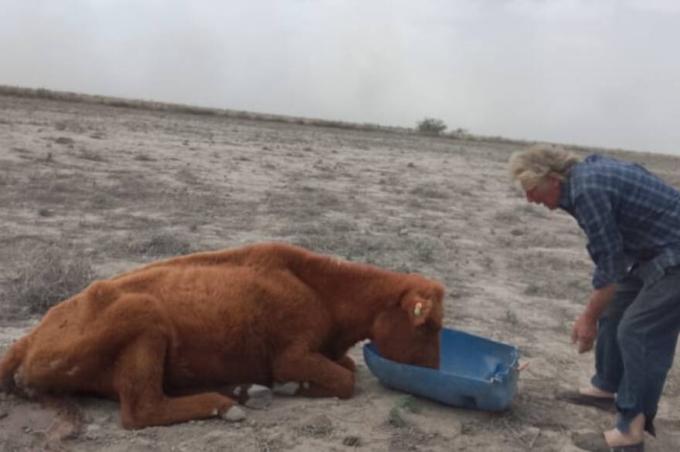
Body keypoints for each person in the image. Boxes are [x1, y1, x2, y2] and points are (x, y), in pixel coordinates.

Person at [508, 144, 680, 452]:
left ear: (553, 179)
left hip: (673, 256)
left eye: (532, 189)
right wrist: (595, 312)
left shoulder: (588, 189)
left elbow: (611, 268)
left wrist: (587, 320)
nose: (529, 199)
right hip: (650, 251)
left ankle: (630, 432)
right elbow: (612, 259)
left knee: (638, 331)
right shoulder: (583, 181)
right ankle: (605, 387)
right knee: (613, 309)